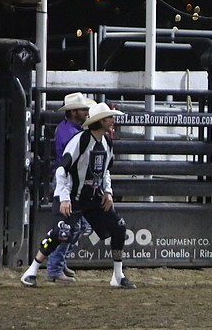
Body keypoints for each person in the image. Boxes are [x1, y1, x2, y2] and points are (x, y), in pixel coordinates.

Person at [21, 103, 135, 289]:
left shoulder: (107, 142)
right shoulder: (80, 140)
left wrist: (107, 191)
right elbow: (61, 169)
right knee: (62, 233)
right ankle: (32, 270)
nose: (113, 121)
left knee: (118, 228)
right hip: (72, 196)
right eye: (109, 118)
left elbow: (106, 170)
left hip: (92, 196)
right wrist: (64, 198)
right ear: (100, 121)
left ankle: (118, 274)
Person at [42, 92, 97, 283]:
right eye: (84, 109)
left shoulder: (66, 129)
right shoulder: (72, 134)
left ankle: (58, 262)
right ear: (74, 112)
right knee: (71, 226)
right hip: (69, 182)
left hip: (68, 180)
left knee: (76, 226)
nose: (87, 112)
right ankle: (55, 266)